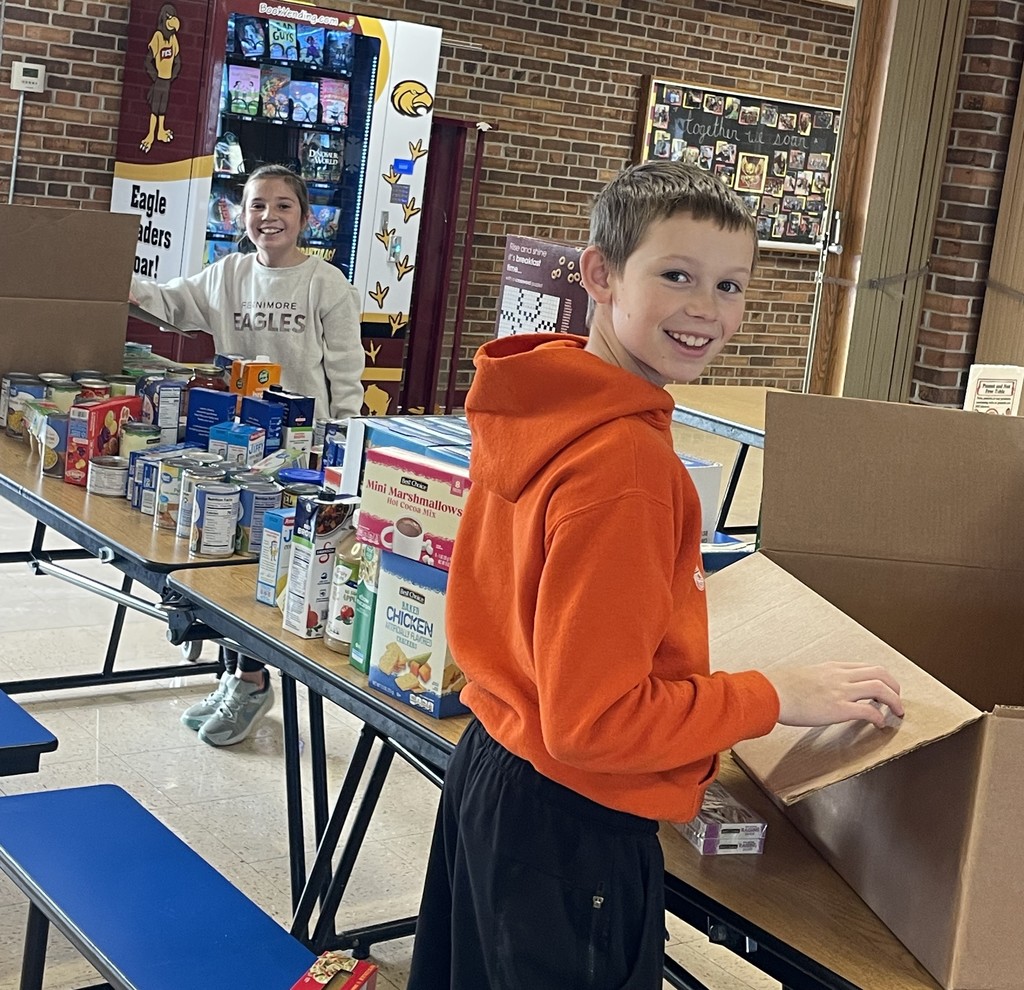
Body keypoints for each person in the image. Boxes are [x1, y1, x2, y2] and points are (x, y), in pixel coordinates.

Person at [406, 160, 904, 989]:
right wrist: (774, 697)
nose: (707, 311)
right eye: (677, 276)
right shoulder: (626, 465)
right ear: (600, 273)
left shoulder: (551, 402)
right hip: (572, 817)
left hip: (497, 768)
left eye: (731, 286)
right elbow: (595, 722)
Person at [131, 163, 365, 747]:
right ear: (240, 215)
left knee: (265, 565)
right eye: (258, 205)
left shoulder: (325, 283)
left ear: (305, 217)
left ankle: (254, 678)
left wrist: (347, 448)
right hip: (237, 445)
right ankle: (235, 672)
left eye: (284, 205)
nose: (270, 217)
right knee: (220, 555)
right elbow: (167, 303)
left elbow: (345, 373)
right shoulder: (226, 275)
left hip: (302, 454)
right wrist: (109, 267)